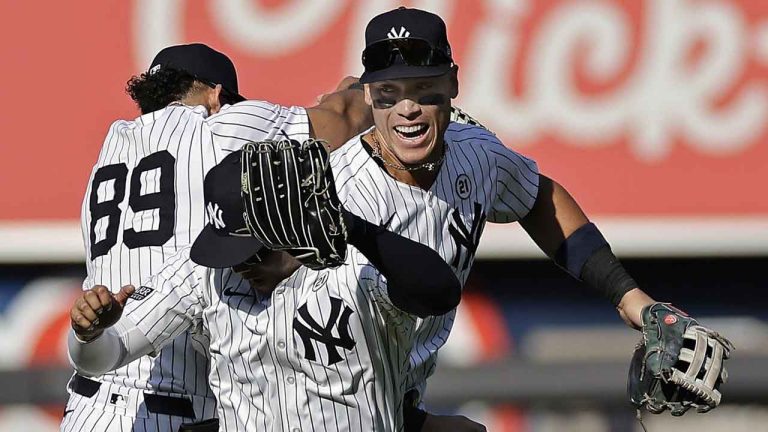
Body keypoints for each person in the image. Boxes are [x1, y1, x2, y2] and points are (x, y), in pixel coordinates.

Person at [329, 7, 729, 430]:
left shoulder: (476, 153)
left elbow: (538, 197)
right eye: (389, 92)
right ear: (369, 95)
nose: (407, 108)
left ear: (452, 83)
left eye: (424, 88)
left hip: (388, 400)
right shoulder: (340, 193)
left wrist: (629, 297)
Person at [65, 43, 371, 432]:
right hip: (174, 404)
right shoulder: (221, 124)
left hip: (88, 401)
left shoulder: (111, 147)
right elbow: (344, 117)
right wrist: (363, 85)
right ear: (216, 94)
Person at [68, 146, 462, 432]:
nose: (238, 265)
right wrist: (89, 333)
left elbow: (440, 293)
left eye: (250, 251)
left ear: (288, 224)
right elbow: (105, 356)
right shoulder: (207, 274)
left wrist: (354, 228)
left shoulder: (356, 270)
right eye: (229, 252)